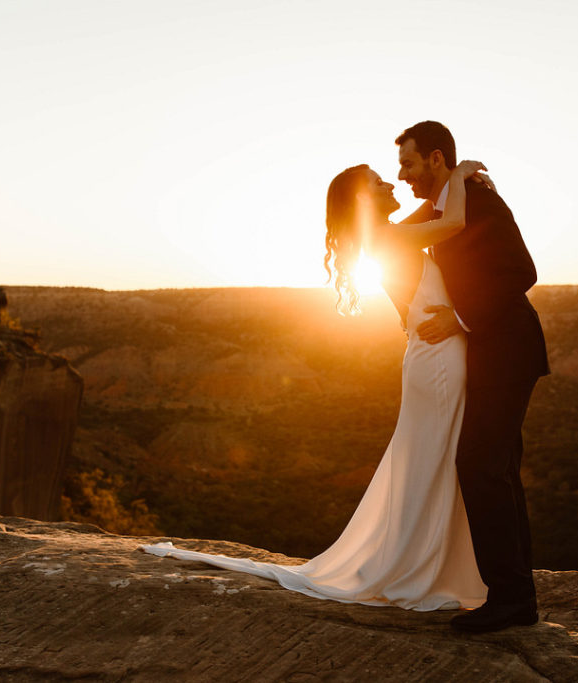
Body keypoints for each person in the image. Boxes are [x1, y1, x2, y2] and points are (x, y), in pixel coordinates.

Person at [142, 159, 492, 612]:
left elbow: (429, 213)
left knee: (429, 458)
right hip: (437, 360)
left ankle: (421, 562)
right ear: (364, 200)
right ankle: (418, 568)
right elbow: (453, 221)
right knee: (435, 460)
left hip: (431, 356)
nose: (389, 181)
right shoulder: (386, 238)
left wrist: (445, 186)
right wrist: (460, 173)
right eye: (376, 182)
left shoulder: (383, 234)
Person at [394, 121, 550, 632]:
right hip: (487, 353)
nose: (404, 176)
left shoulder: (481, 204)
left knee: (480, 464)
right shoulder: (448, 202)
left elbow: (522, 271)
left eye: (410, 164)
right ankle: (515, 596)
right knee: (497, 467)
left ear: (435, 159)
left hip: (506, 350)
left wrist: (459, 319)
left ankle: (509, 599)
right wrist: (457, 175)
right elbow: (398, 234)